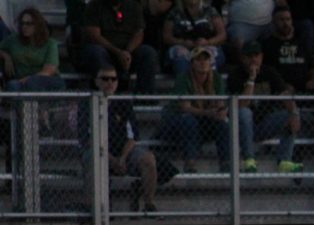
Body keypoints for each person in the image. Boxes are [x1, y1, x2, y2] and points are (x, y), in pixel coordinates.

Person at [81, 66, 161, 212]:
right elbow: (88, 139)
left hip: (123, 151)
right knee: (92, 160)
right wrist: (112, 160)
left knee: (148, 159)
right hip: (97, 151)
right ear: (96, 81)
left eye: (113, 79)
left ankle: (149, 204)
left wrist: (122, 158)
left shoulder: (123, 102)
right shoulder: (87, 104)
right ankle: (93, 207)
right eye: (105, 79)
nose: (110, 82)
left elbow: (132, 136)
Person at [227, 39, 303, 174]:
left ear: (261, 56)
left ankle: (284, 161)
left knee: (289, 115)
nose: (253, 59)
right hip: (240, 128)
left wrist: (294, 113)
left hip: (264, 124)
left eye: (256, 55)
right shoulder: (235, 74)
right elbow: (242, 104)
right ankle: (249, 159)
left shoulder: (269, 72)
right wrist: (251, 79)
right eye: (249, 56)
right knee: (245, 112)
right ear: (243, 58)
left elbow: (285, 94)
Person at [160, 47, 230, 174]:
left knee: (223, 123)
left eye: (206, 59)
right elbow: (185, 107)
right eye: (198, 59)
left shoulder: (216, 78)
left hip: (203, 122)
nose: (203, 63)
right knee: (189, 120)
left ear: (211, 63)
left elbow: (220, 103)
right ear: (192, 63)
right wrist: (209, 113)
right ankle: (190, 163)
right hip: (177, 123)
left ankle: (226, 164)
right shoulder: (183, 78)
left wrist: (221, 111)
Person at [82, 0, 159, 95]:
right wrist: (118, 52)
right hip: (105, 50)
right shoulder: (94, 5)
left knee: (148, 53)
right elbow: (94, 35)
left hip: (128, 51)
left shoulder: (134, 6)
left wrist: (127, 52)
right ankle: (103, 95)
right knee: (96, 52)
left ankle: (146, 97)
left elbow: (139, 33)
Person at [0, 8, 66, 91]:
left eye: (29, 24)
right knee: (12, 85)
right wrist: (6, 56)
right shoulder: (13, 40)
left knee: (33, 83)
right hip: (21, 82)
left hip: (46, 80)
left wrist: (28, 79)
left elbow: (49, 71)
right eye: (22, 23)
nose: (24, 27)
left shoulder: (50, 43)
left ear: (37, 25)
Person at [262, 6, 314, 94]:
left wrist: (313, 80)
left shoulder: (301, 43)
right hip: (280, 93)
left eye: (288, 19)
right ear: (273, 21)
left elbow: (312, 67)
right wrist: (282, 86)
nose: (285, 23)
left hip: (304, 91)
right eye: (281, 20)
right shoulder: (267, 45)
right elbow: (266, 73)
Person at [161, 0, 226, 75]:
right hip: (182, 46)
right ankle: (184, 84)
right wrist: (182, 42)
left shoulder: (210, 11)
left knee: (208, 56)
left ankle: (210, 84)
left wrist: (208, 42)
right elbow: (166, 37)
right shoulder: (174, 12)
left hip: (207, 45)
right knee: (180, 55)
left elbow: (222, 35)